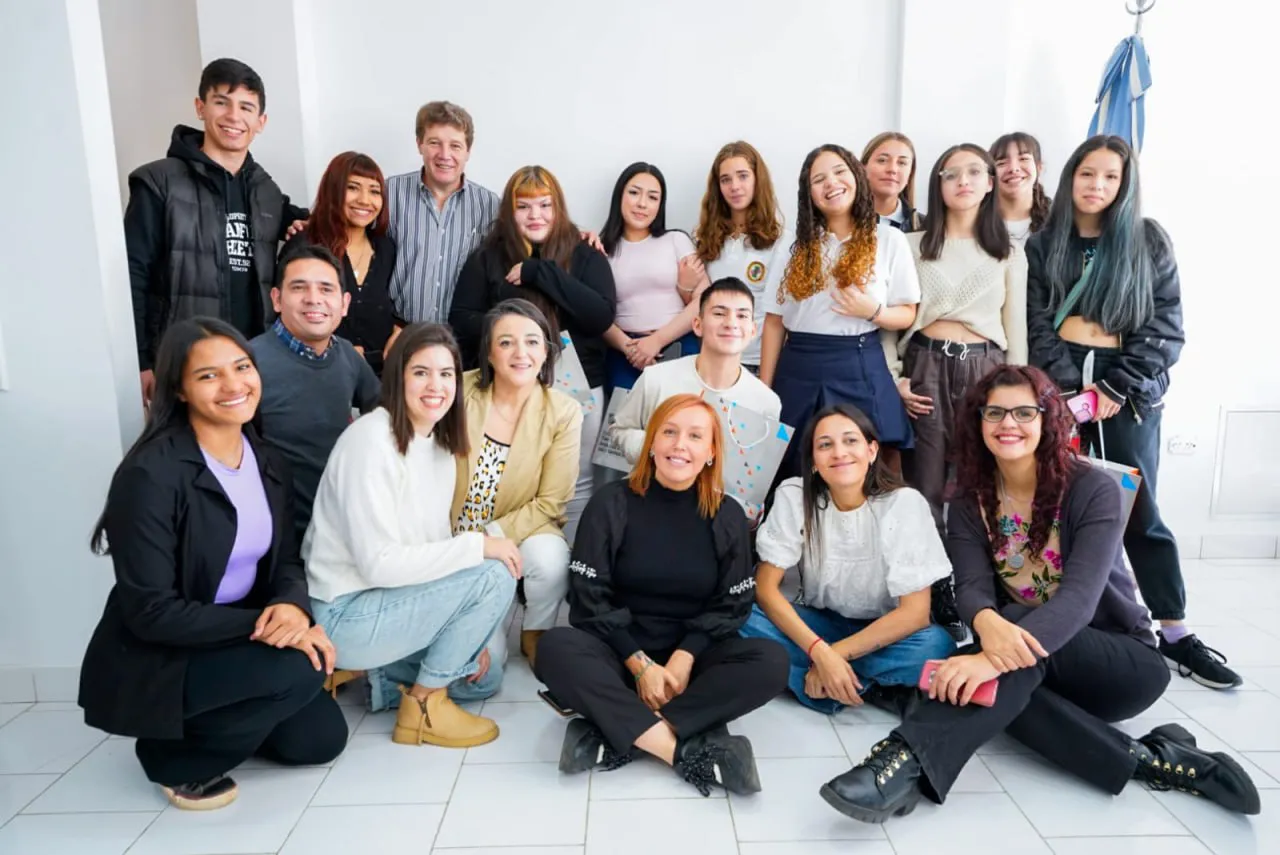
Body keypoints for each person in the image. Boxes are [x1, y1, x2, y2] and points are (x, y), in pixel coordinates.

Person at [819, 365, 1260, 823]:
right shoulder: (968, 499)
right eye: (995, 413)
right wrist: (988, 629)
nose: (1008, 424)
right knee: (995, 694)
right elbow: (970, 589)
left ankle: (897, 762)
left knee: (992, 665)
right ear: (978, 423)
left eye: (1024, 412)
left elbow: (1077, 603)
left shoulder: (1094, 490)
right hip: (1032, 663)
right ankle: (1152, 759)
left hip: (1119, 662)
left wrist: (988, 655)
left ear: (1049, 419)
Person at [79, 318, 347, 811]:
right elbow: (151, 613)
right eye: (208, 376)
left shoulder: (267, 460)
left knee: (320, 741)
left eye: (242, 367)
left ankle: (224, 719)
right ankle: (170, 756)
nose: (233, 385)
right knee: (298, 673)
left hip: (234, 634)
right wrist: (266, 627)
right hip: (164, 652)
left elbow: (286, 558)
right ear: (178, 390)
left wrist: (289, 607)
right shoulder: (150, 474)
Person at [1027, 135, 1240, 690]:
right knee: (1056, 507)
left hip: (1129, 390)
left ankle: (1174, 630)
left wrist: (1115, 391)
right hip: (1062, 386)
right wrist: (1071, 393)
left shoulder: (1147, 242)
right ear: (1070, 177)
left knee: (1138, 508)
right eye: (1087, 174)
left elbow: (1166, 329)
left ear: (1125, 185)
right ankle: (1056, 625)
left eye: (1110, 177)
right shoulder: (1044, 243)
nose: (1096, 186)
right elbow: (1036, 324)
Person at [534, 394, 789, 796]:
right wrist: (639, 666)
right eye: (668, 432)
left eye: (694, 436)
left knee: (773, 662)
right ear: (651, 443)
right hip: (620, 655)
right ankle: (680, 750)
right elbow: (588, 596)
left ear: (710, 452)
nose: (679, 445)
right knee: (554, 647)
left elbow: (732, 604)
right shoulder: (610, 504)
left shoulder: (728, 516)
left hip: (690, 664)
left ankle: (618, 730)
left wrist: (684, 659)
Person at [304, 323, 519, 747]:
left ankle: (375, 676)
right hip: (346, 613)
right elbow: (379, 564)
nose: (435, 385)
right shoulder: (370, 441)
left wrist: (460, 636)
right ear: (397, 375)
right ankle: (423, 705)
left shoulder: (436, 443)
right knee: (494, 573)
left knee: (484, 674)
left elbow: (430, 548)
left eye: (446, 374)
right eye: (421, 372)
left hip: (390, 602)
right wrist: (479, 547)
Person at [741, 403, 956, 714]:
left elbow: (915, 615)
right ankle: (872, 687)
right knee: (742, 615)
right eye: (825, 445)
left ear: (871, 451)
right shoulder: (794, 495)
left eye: (851, 441)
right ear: (813, 461)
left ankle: (823, 682)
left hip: (885, 632)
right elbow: (765, 589)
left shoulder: (904, 504)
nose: (839, 452)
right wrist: (820, 650)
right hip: (817, 626)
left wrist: (833, 655)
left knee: (936, 647)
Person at [126, 58, 308, 405]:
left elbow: (302, 221)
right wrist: (140, 361)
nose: (233, 117)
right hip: (184, 363)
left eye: (246, 107)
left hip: (252, 362)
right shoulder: (159, 183)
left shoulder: (265, 191)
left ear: (261, 121)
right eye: (221, 102)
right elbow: (132, 275)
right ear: (200, 107)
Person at [449, 166, 615, 540]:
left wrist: (539, 272)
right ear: (510, 211)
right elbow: (460, 318)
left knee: (577, 480)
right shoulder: (488, 256)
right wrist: (510, 337)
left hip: (580, 385)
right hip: (503, 387)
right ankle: (503, 555)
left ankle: (567, 559)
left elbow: (600, 315)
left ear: (559, 208)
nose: (536, 215)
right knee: (507, 474)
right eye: (524, 207)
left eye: (545, 205)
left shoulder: (585, 253)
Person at [886, 143, 1027, 529]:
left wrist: (1016, 394)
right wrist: (894, 376)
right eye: (951, 174)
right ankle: (928, 585)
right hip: (925, 366)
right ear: (938, 185)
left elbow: (1016, 330)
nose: (963, 181)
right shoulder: (909, 245)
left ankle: (975, 580)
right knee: (922, 484)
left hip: (986, 369)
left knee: (982, 481)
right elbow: (890, 321)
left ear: (989, 183)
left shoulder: (1008, 253)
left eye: (974, 172)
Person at [760, 144, 920, 481]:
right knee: (793, 470)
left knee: (870, 472)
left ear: (857, 177)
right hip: (799, 365)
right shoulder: (792, 245)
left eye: (839, 172)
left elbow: (907, 312)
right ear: (810, 194)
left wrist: (873, 311)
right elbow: (774, 322)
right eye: (819, 179)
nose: (831, 183)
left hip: (859, 362)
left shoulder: (889, 239)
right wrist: (764, 391)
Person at [451, 299, 583, 667]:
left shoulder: (563, 411)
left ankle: (535, 628)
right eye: (506, 342)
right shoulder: (457, 393)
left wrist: (489, 536)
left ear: (546, 352)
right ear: (489, 353)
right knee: (481, 661)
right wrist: (464, 543)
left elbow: (551, 502)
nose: (520, 352)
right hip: (447, 535)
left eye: (532, 341)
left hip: (516, 531)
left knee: (551, 558)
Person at [251, 245, 380, 542]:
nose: (314, 299)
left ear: (344, 303)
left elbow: (387, 416)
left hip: (344, 530)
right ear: (277, 299)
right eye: (299, 287)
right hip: (281, 541)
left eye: (326, 289)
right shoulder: (248, 364)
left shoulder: (347, 355)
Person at [611, 277, 780, 464]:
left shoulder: (766, 403)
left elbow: (757, 470)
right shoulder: (657, 378)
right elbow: (620, 430)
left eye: (742, 316)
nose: (731, 323)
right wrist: (660, 449)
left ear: (753, 330)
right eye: (719, 313)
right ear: (697, 325)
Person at [283, 151, 402, 375]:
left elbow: (390, 306)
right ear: (333, 190)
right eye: (353, 187)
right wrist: (335, 350)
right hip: (318, 373)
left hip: (380, 378)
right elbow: (287, 315)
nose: (365, 200)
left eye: (374, 191)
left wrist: (400, 330)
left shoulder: (386, 248)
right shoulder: (306, 245)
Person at [599, 162, 710, 394]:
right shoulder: (601, 249)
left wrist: (657, 341)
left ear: (660, 205)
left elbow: (704, 301)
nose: (642, 204)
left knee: (679, 421)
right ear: (620, 195)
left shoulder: (676, 240)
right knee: (623, 426)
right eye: (634, 192)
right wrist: (630, 348)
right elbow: (595, 312)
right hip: (623, 353)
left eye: (652, 197)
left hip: (678, 345)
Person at [385, 101, 500, 325]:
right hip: (399, 332)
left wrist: (583, 238)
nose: (444, 155)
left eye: (455, 146)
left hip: (462, 339)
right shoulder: (390, 193)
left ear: (468, 151)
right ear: (419, 144)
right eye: (434, 143)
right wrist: (302, 224)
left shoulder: (489, 204)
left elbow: (527, 237)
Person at [693, 141, 791, 372]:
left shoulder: (781, 240)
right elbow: (698, 305)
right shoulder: (704, 237)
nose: (734, 186)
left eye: (743, 176)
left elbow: (775, 318)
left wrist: (765, 384)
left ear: (758, 179)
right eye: (726, 179)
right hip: (711, 361)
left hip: (757, 363)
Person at [990, 132, 1052, 248]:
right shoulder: (976, 223)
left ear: (1039, 167)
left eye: (1023, 159)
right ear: (991, 175)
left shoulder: (1059, 220)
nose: (1013, 169)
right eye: (1002, 163)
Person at [861, 132, 924, 233]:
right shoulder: (841, 222)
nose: (892, 169)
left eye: (902, 163)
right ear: (863, 168)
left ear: (910, 174)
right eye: (882, 160)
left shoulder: (926, 228)